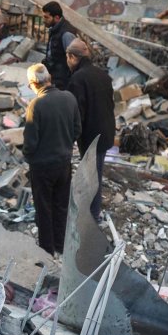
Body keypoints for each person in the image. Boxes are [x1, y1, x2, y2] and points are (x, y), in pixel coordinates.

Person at [24, 64, 80, 257]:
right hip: (64, 163)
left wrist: (29, 158)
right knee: (61, 205)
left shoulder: (36, 105)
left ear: (33, 83)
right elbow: (77, 130)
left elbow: (30, 142)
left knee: (44, 208)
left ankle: (47, 250)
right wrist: (64, 145)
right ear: (49, 78)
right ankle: (61, 245)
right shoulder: (69, 98)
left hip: (42, 167)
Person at [65, 39, 116, 220]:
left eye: (67, 58)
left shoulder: (78, 79)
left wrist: (69, 139)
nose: (67, 62)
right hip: (105, 132)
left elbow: (77, 114)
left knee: (92, 176)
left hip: (91, 136)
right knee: (92, 173)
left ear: (72, 57)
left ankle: (92, 217)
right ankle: (89, 212)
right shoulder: (103, 75)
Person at [41, 1, 77, 91]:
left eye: (46, 17)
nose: (44, 20)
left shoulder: (66, 34)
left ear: (56, 17)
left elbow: (74, 60)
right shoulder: (55, 29)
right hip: (54, 75)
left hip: (62, 81)